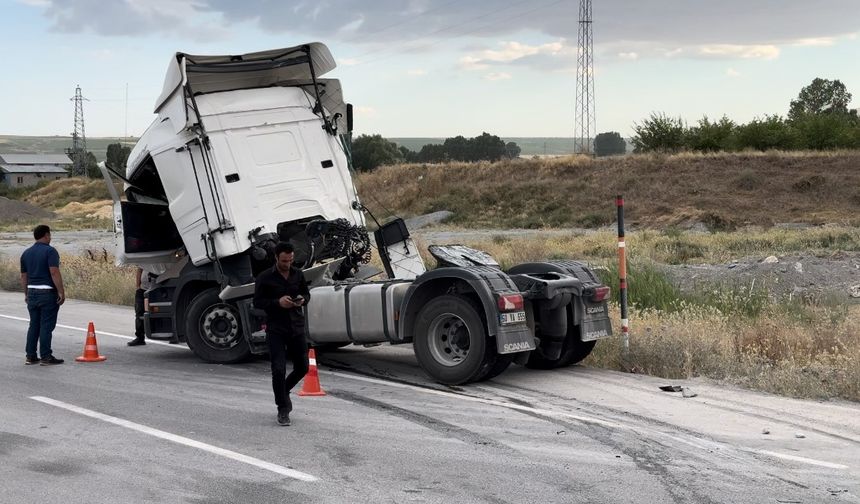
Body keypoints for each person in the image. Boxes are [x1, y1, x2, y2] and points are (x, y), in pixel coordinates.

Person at [253, 242, 311, 426]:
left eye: (290, 260)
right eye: (284, 261)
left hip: (297, 327)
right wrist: (277, 302)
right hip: (276, 328)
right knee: (278, 369)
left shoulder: (298, 274)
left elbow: (306, 294)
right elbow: (258, 302)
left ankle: (283, 390)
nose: (288, 264)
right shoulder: (264, 277)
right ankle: (283, 409)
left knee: (303, 367)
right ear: (277, 258)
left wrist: (302, 300)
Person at [20, 224, 65, 366]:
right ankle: (46, 356)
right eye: (49, 235)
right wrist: (61, 291)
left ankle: (31, 356)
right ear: (46, 235)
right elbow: (54, 271)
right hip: (46, 292)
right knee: (46, 325)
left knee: (34, 325)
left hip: (32, 291)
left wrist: (26, 293)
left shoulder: (26, 253)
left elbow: (23, 276)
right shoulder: (50, 251)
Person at [127, 267, 153, 346]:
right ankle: (140, 337)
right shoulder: (144, 258)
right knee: (139, 313)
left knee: (159, 311)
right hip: (142, 289)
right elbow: (139, 270)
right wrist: (138, 286)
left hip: (155, 288)